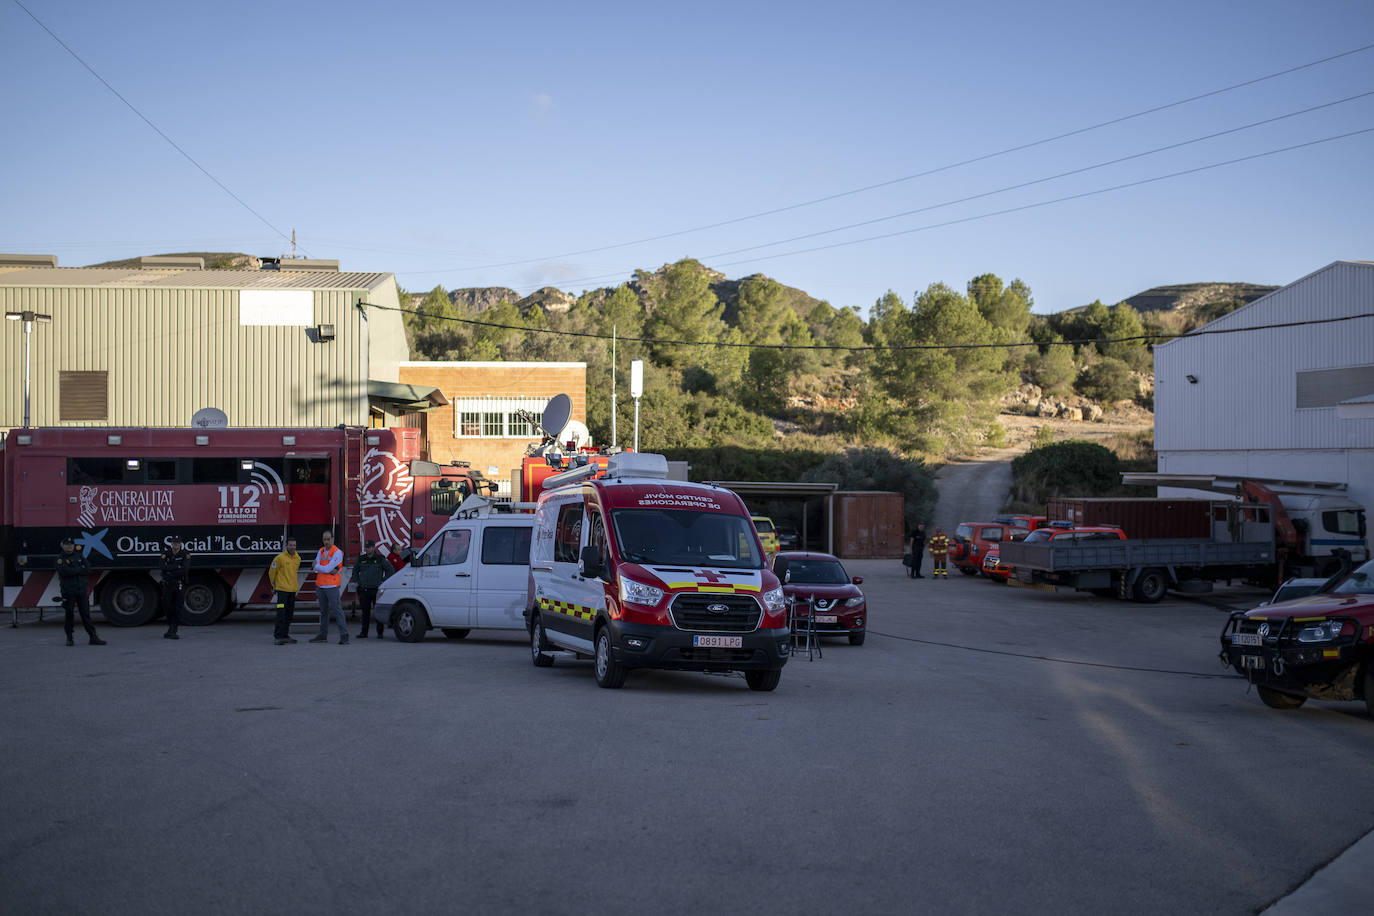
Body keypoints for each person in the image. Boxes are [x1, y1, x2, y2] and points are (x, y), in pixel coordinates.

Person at [56, 536, 105, 646]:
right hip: (68, 591)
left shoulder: (79, 555)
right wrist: (79, 570)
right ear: (62, 546)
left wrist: (76, 570)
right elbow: (65, 572)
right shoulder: (60, 559)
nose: (70, 546)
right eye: (67, 544)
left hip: (81, 590)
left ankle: (93, 637)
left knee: (85, 614)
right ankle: (69, 638)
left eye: (71, 544)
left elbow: (88, 569)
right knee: (69, 615)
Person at [310, 530, 348, 644]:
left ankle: (344, 636)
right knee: (324, 612)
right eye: (324, 539)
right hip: (321, 585)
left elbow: (320, 568)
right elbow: (323, 568)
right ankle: (323, 635)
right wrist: (321, 567)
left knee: (337, 611)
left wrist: (317, 566)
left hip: (332, 585)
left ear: (332, 539)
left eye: (328, 539)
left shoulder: (337, 552)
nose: (326, 541)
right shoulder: (320, 550)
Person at [353, 540, 393, 639]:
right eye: (366, 547)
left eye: (370, 547)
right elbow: (355, 571)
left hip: (376, 590)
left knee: (378, 612)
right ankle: (364, 633)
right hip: (364, 590)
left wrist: (383, 581)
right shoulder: (361, 559)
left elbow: (390, 570)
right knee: (365, 613)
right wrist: (357, 581)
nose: (368, 549)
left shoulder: (380, 559)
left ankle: (380, 633)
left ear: (373, 547)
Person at [269, 537, 301, 645]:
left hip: (292, 592)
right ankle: (278, 637)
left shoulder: (298, 558)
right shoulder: (279, 558)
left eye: (294, 545)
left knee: (289, 614)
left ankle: (285, 635)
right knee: (281, 613)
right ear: (286, 545)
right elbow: (272, 573)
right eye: (290, 545)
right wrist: (274, 585)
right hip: (282, 591)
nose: (292, 547)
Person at [159, 534, 191, 639]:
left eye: (178, 543)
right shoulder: (166, 553)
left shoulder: (185, 554)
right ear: (171, 543)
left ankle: (173, 630)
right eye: (174, 543)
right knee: (167, 606)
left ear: (181, 544)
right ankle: (170, 627)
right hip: (168, 584)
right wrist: (177, 566)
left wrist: (170, 571)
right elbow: (162, 567)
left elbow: (185, 569)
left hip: (179, 583)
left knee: (177, 607)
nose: (176, 544)